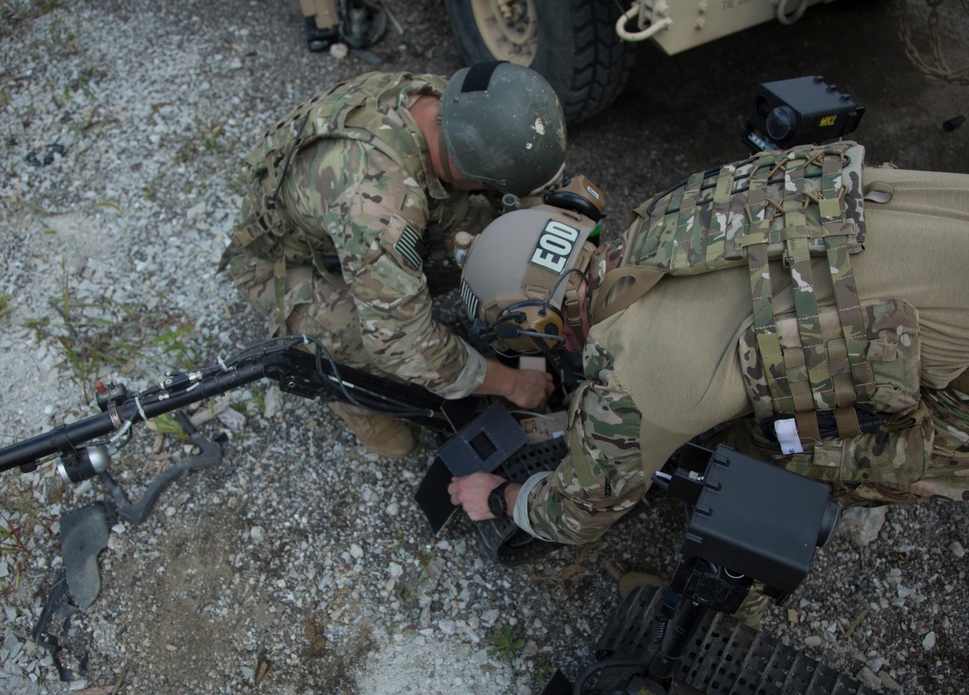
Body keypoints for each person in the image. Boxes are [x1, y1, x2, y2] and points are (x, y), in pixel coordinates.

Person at [447, 143, 969, 544]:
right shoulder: (667, 213)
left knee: (758, 461)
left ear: (543, 329)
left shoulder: (633, 383)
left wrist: (501, 498)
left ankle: (744, 597)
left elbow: (576, 512)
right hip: (944, 216)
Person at [219, 62, 565, 458]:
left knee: (491, 241)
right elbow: (402, 343)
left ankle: (393, 286)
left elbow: (530, 193)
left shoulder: (457, 105)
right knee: (360, 341)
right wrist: (512, 384)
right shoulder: (380, 204)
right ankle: (349, 394)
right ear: (467, 169)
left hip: (350, 226)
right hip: (284, 264)